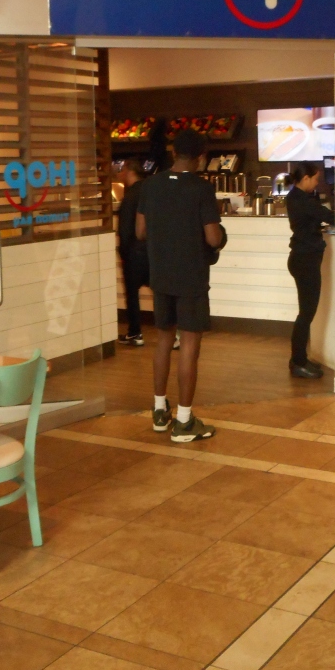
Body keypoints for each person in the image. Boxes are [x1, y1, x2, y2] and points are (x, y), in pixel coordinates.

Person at [136, 128, 225, 442]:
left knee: (163, 340)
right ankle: (185, 422)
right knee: (189, 344)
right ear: (201, 157)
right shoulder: (201, 188)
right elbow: (213, 237)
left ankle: (160, 411)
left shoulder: (151, 185)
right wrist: (220, 236)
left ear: (173, 152)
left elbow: (140, 231)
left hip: (160, 274)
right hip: (191, 277)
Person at [285, 161, 333, 378]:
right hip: (305, 260)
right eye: (315, 179)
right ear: (305, 178)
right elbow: (327, 215)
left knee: (306, 313)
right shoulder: (300, 199)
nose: (317, 183)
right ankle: (298, 361)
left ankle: (300, 358)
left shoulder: (298, 197)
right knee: (306, 314)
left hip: (302, 258)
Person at [115, 159, 150, 346]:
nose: (119, 174)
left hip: (134, 252)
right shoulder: (151, 191)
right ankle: (174, 333)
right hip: (153, 250)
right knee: (160, 292)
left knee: (132, 293)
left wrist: (123, 252)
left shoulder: (130, 196)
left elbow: (126, 228)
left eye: (121, 170)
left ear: (129, 171)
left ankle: (135, 332)